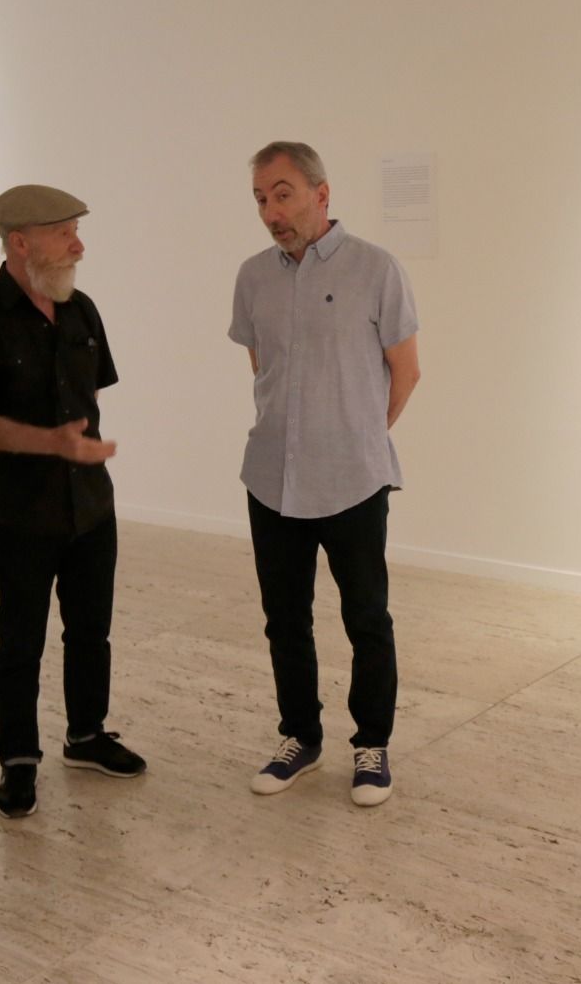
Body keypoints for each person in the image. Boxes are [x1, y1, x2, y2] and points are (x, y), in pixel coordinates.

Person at [229, 141, 420, 808]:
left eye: (282, 193)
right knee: (285, 618)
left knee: (366, 617)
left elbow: (407, 370)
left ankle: (372, 745)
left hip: (354, 481)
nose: (270, 210)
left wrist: (358, 434)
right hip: (271, 479)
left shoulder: (376, 269)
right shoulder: (253, 277)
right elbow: (264, 368)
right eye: (260, 197)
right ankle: (299, 737)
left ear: (321, 193)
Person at [0, 184, 144, 821]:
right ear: (21, 242)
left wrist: (76, 452)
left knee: (91, 631)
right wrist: (51, 444)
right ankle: (18, 759)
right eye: (66, 233)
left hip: (91, 508)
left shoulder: (83, 311)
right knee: (20, 641)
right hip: (22, 515)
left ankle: (86, 736)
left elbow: (91, 402)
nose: (79, 245)